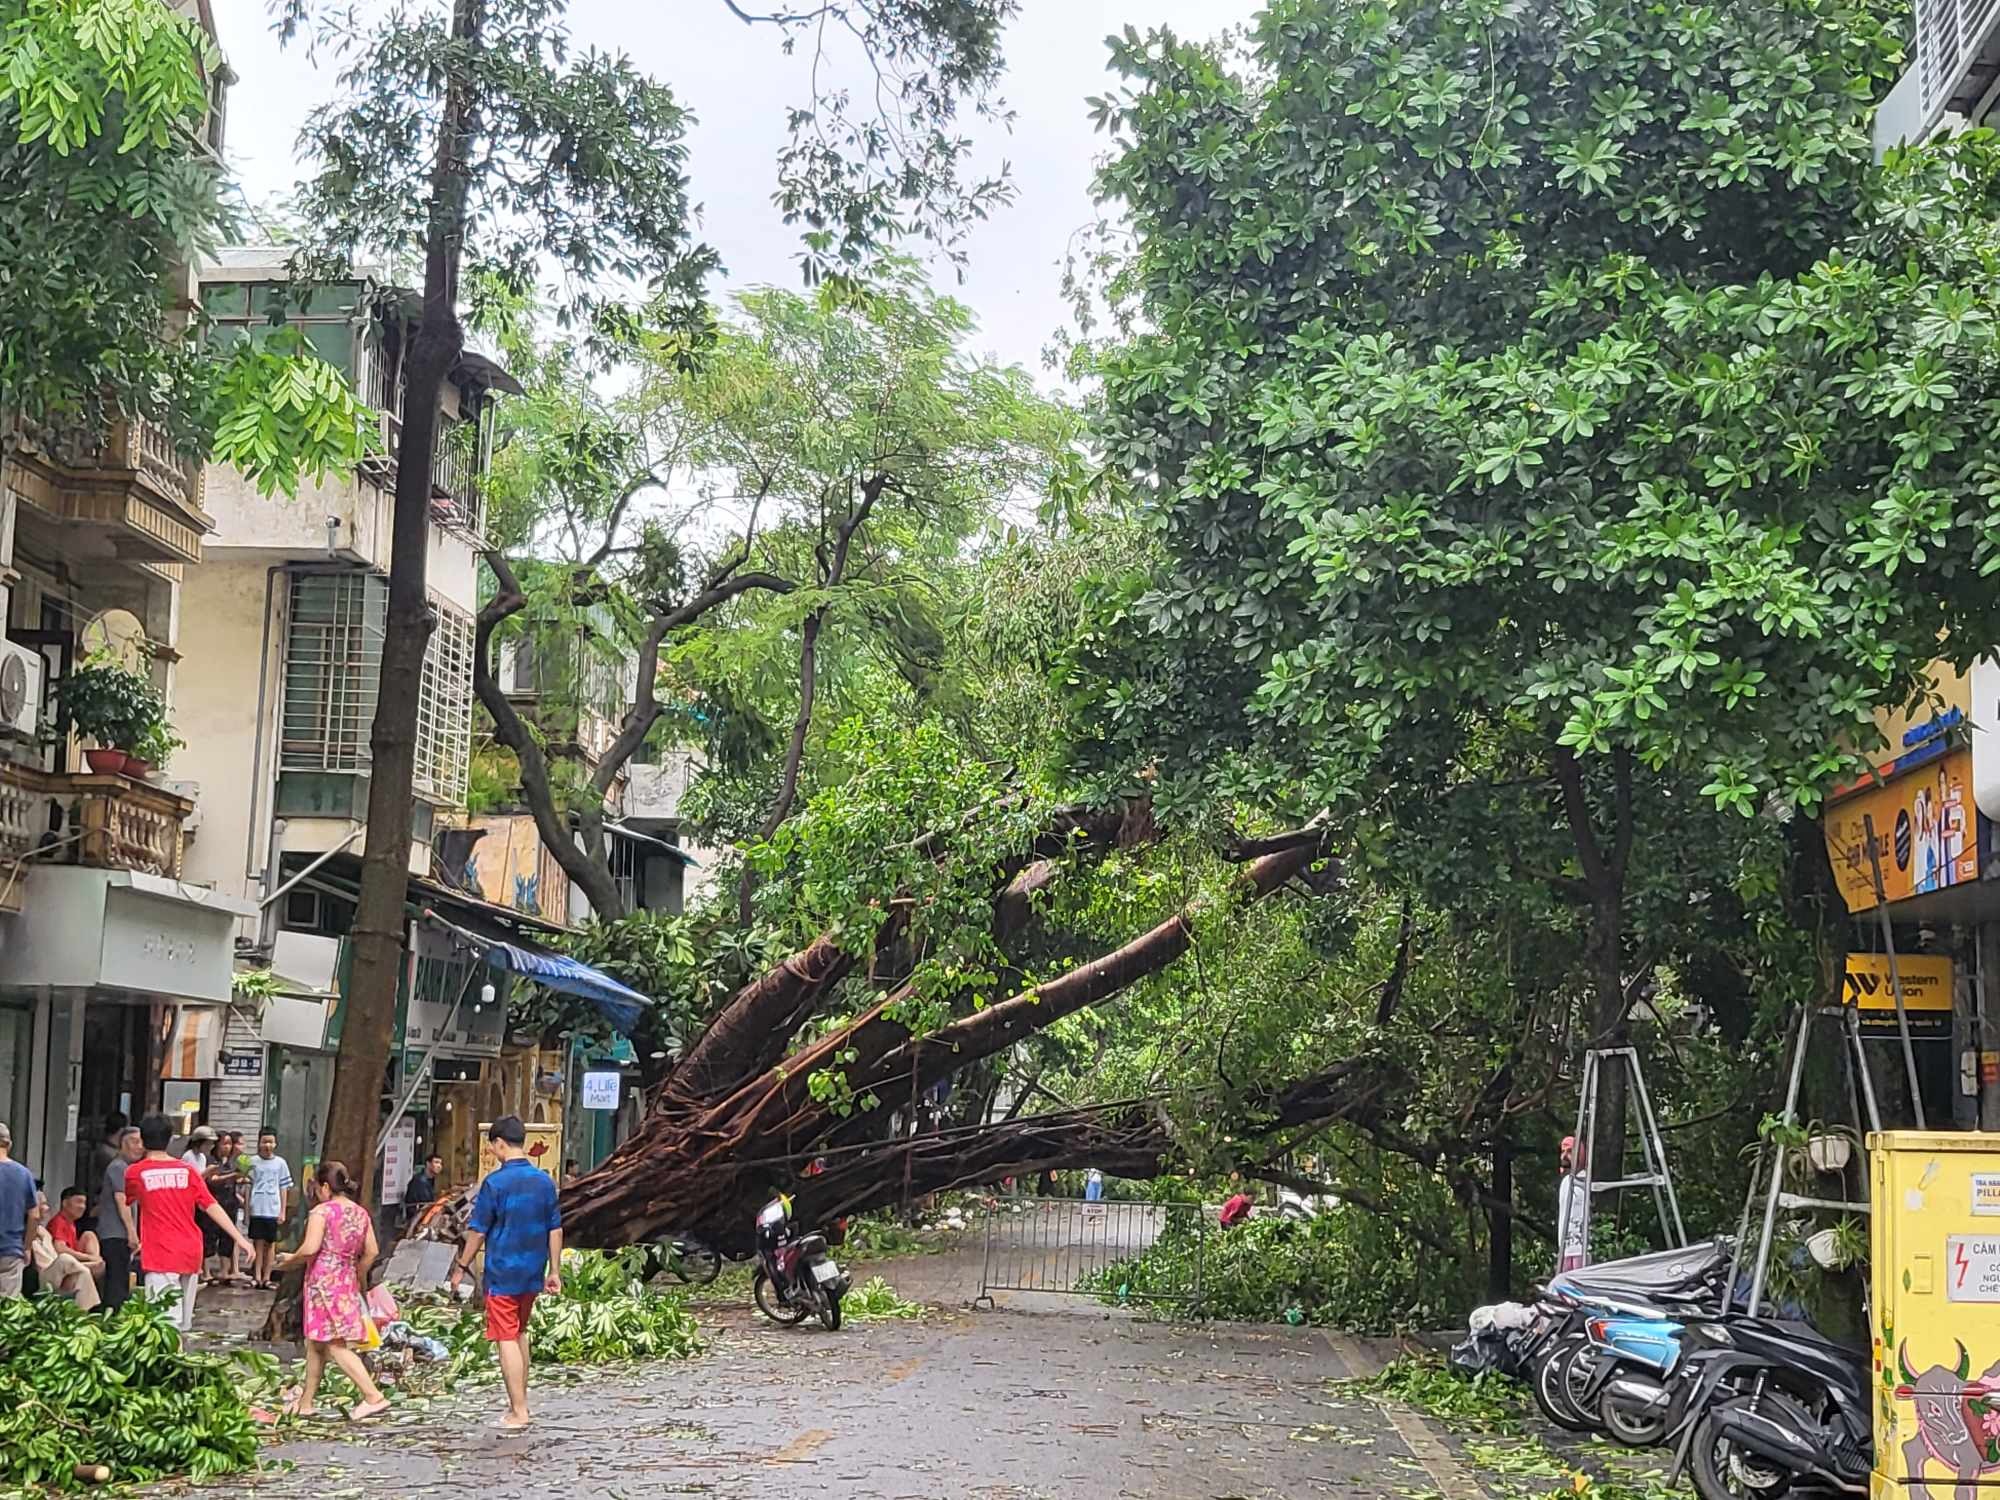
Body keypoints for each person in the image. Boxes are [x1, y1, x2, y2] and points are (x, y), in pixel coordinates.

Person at [450, 1116, 562, 1430]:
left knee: (506, 1337)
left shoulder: (494, 1183)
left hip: (502, 1271)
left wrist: (461, 1266)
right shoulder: (544, 1181)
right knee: (520, 1331)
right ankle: (521, 1400)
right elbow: (555, 1228)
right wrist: (554, 1270)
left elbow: (478, 1230)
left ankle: (519, 1410)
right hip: (533, 1270)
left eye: (493, 1146)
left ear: (500, 1143)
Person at [273, 1160, 390, 1420]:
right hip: (346, 1278)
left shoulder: (322, 1213)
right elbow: (372, 1251)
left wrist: (289, 1260)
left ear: (325, 1186)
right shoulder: (360, 1213)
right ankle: (306, 1403)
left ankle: (373, 1396)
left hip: (323, 1282)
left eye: (317, 1187)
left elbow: (310, 1248)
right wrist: (357, 1272)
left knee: (336, 1344)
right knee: (316, 1343)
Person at [123, 1114, 255, 1335]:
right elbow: (211, 1206)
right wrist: (240, 1239)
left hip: (161, 1254)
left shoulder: (136, 1172)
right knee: (183, 1323)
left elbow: (126, 1201)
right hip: (191, 1250)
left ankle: (167, 1365)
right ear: (169, 1140)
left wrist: (131, 1235)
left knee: (163, 1323)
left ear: (144, 1141)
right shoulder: (188, 1172)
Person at [27, 1190, 99, 1310]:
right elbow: (60, 1250)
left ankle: (84, 1316)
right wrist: (88, 1259)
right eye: (43, 1204)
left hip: (58, 1272)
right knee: (65, 1259)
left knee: (81, 1276)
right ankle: (88, 1265)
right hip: (43, 1276)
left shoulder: (43, 1231)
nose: (47, 1208)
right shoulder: (33, 1228)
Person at [96, 1126, 142, 1311]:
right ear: (122, 1144)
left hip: (120, 1234)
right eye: (134, 1141)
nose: (139, 1147)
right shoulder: (118, 1167)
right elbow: (121, 1200)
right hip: (115, 1234)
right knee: (116, 1283)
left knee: (121, 1280)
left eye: (141, 1142)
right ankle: (111, 1321)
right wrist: (132, 1233)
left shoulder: (128, 1168)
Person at [247, 1129, 294, 1289]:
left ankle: (267, 1277)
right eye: (264, 1141)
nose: (267, 1145)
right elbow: (248, 1185)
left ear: (275, 1143)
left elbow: (284, 1187)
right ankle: (257, 1277)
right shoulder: (251, 1162)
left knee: (271, 1244)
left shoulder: (280, 1163)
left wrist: (282, 1211)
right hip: (257, 1207)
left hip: (272, 1209)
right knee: (257, 1245)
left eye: (270, 1141)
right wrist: (247, 1211)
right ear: (259, 1143)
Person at [0, 1121, 38, 1298]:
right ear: (9, 1144)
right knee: (8, 1309)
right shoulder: (24, 1174)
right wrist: (27, 1247)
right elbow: (34, 1215)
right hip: (10, 1249)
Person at [1556, 1135, 1589, 1273]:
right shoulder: (1566, 1182)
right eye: (1563, 1151)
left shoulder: (1584, 1180)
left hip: (1581, 1247)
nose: (1565, 1156)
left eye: (1569, 1151)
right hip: (1566, 1247)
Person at [402, 1153, 443, 1231]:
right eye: (436, 1162)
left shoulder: (427, 1180)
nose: (439, 1166)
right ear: (428, 1164)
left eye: (440, 1163)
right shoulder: (420, 1181)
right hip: (417, 1218)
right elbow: (426, 1203)